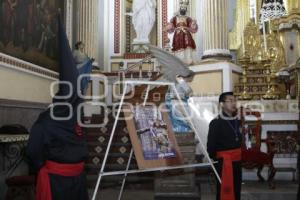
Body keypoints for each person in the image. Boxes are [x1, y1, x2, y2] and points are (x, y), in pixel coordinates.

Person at [27, 15, 94, 200]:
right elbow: (34, 152)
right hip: (58, 182)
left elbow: (33, 151)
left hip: (72, 180)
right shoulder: (63, 119)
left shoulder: (54, 119)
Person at [207, 92, 242, 200]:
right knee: (224, 190)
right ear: (222, 104)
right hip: (224, 163)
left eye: (234, 100)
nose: (233, 103)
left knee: (236, 189)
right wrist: (219, 159)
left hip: (237, 161)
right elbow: (211, 146)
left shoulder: (236, 120)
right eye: (230, 100)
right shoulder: (216, 122)